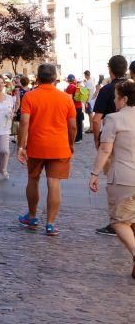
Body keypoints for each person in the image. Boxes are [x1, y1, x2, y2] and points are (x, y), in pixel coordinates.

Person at [17, 64, 76, 236]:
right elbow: (72, 126)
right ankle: (50, 224)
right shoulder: (66, 98)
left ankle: (33, 216)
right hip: (59, 146)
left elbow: (24, 122)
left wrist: (21, 146)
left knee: (33, 179)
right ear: (54, 78)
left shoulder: (30, 96)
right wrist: (70, 143)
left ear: (38, 77)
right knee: (54, 184)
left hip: (36, 146)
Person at [88, 80, 135, 278]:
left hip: (124, 177)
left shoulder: (114, 119)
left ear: (124, 99)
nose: (114, 101)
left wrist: (95, 173)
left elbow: (105, 148)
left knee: (119, 222)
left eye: (116, 97)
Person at [92, 55, 129, 236]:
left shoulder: (107, 89)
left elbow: (97, 119)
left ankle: (116, 222)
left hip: (112, 139)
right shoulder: (131, 87)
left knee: (114, 182)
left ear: (110, 69)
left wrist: (97, 142)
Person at [64, 74, 86, 143]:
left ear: (68, 80)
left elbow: (69, 98)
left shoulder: (70, 87)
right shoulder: (76, 85)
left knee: (74, 123)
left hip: (74, 107)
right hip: (79, 107)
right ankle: (79, 138)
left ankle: (76, 138)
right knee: (79, 123)